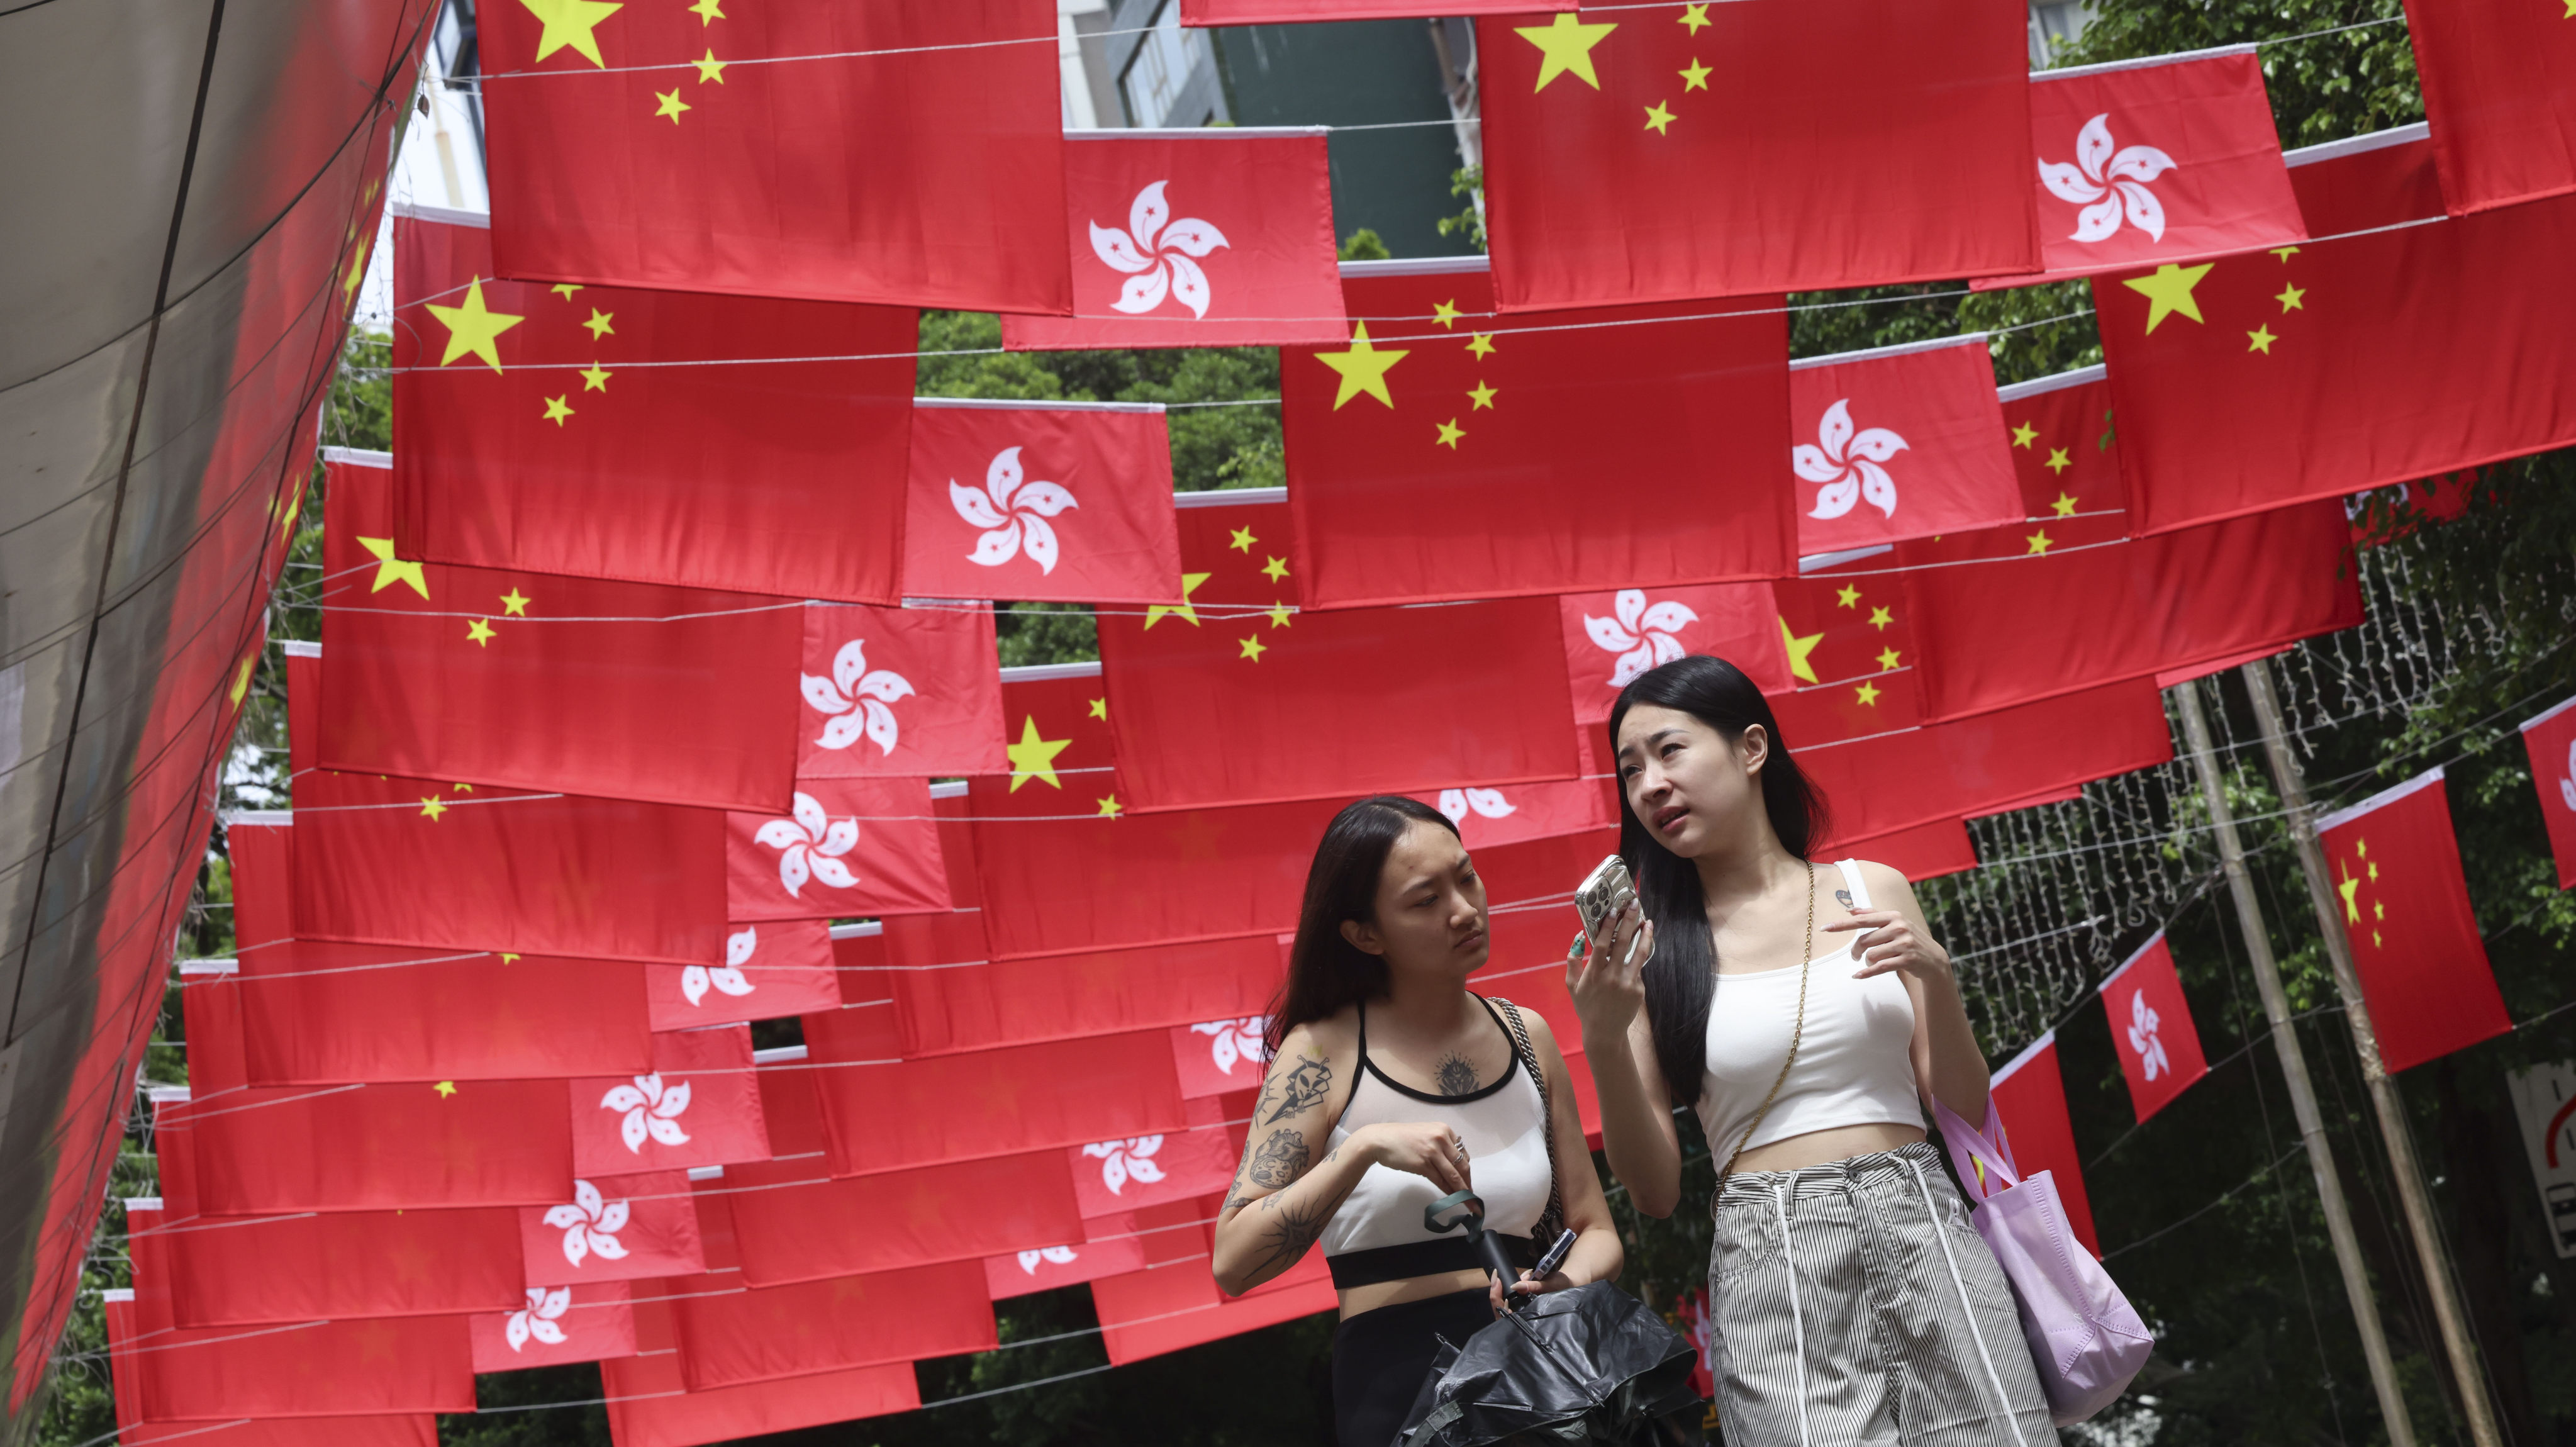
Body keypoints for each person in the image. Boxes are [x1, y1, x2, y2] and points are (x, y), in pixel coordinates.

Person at [1568, 655, 2053, 1446]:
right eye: (1630, 770)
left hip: (1921, 1216)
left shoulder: (1873, 888)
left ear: (1752, 747)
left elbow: (1963, 1112)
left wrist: (1936, 979)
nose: (1651, 783)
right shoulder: (1647, 953)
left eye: (1670, 750)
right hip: (1771, 1251)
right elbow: (1654, 1192)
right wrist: (1602, 1036)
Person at [1210, 796, 1623, 1447]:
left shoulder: (1528, 1035)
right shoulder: (1321, 1052)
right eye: (1425, 899)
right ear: (1364, 934)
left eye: (1466, 877)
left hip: (1540, 1373)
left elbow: (1597, 1228)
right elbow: (1233, 1261)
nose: (1464, 908)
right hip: (1399, 1388)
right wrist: (1364, 1150)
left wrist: (1560, 1281)